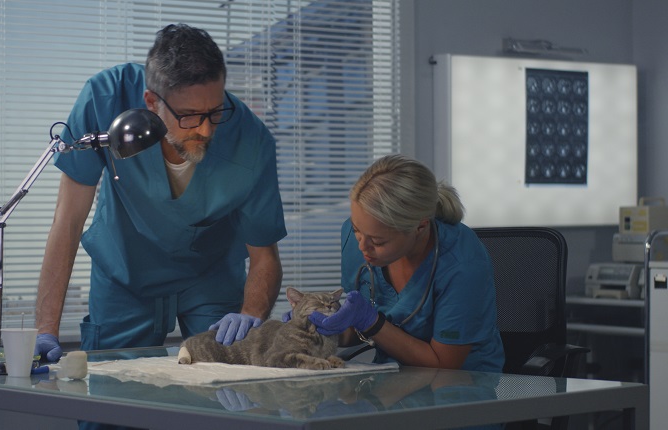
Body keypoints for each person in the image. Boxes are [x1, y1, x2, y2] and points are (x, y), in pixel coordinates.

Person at [34, 23, 287, 364]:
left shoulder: (251, 140)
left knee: (225, 392)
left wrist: (251, 314)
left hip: (211, 276)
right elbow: (67, 222)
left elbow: (264, 256)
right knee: (111, 399)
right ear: (151, 102)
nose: (206, 129)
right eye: (189, 116)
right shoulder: (105, 100)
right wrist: (44, 329)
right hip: (124, 271)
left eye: (215, 112)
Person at [309, 154, 504, 372]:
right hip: (389, 379)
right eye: (356, 230)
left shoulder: (462, 266)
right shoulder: (360, 235)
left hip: (460, 386)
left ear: (420, 227)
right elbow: (364, 327)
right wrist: (322, 325)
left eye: (378, 241)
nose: (363, 246)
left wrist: (371, 322)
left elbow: (445, 365)